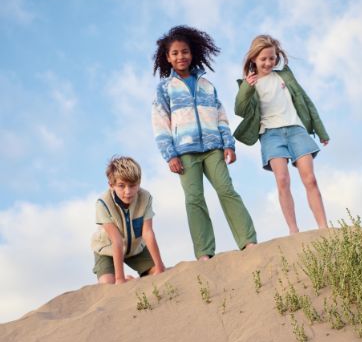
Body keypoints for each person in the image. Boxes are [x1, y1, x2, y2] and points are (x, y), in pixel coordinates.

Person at [152, 25, 257, 260]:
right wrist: (170, 154)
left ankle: (248, 241)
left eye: (185, 51)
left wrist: (228, 143)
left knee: (226, 190)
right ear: (167, 57)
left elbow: (221, 115)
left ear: (193, 53)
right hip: (184, 152)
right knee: (194, 199)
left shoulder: (207, 85)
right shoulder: (164, 88)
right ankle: (204, 252)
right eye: (176, 53)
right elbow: (160, 123)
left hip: (213, 148)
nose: (181, 56)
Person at [234, 34, 329, 235]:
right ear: (253, 59)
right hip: (270, 135)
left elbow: (305, 100)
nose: (269, 62)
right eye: (263, 59)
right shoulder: (249, 84)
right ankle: (293, 230)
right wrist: (246, 88)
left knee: (310, 179)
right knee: (283, 180)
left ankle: (323, 227)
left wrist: (321, 131)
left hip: (296, 130)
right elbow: (240, 109)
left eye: (272, 58)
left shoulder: (284, 76)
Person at [91, 155, 165, 284]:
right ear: (111, 185)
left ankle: (132, 279)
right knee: (108, 284)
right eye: (121, 186)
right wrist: (120, 279)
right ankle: (122, 278)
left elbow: (147, 233)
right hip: (108, 249)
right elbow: (116, 240)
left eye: (132, 185)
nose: (128, 191)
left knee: (157, 274)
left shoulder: (145, 197)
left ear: (139, 183)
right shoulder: (103, 203)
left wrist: (159, 265)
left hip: (135, 249)